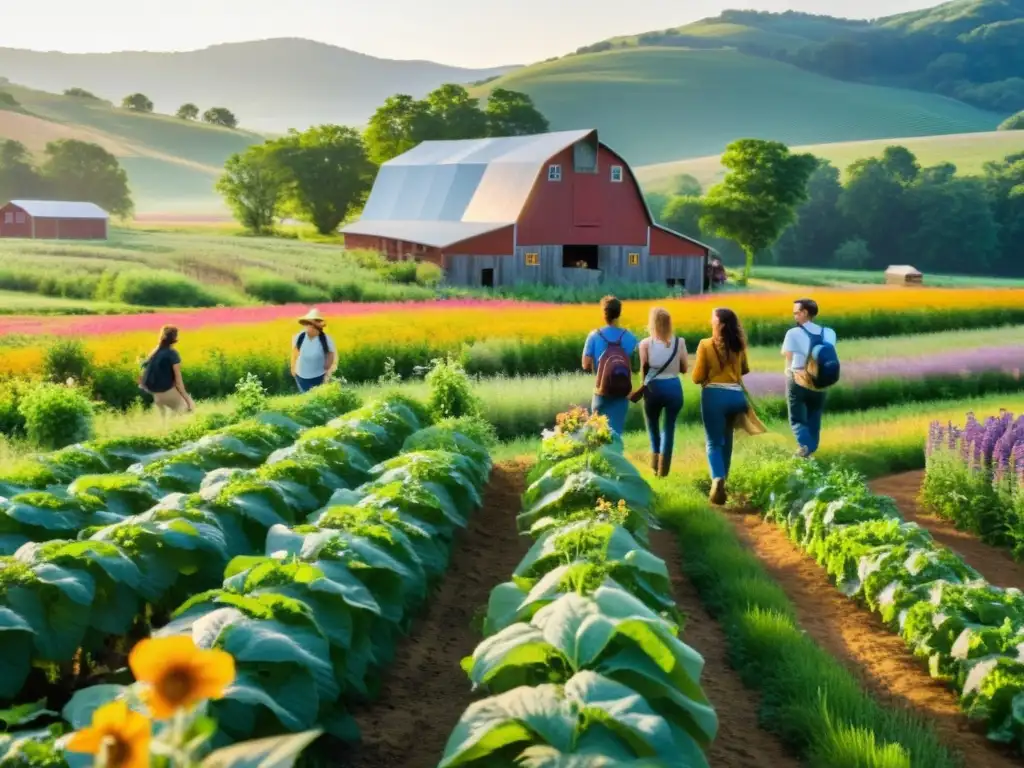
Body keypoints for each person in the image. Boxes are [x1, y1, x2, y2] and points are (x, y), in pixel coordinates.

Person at [692, 308, 750, 505]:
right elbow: (745, 370)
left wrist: (710, 376)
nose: (711, 321)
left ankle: (717, 478)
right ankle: (724, 480)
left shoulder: (705, 344)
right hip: (736, 397)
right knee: (727, 440)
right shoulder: (739, 345)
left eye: (713, 319)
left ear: (721, 324)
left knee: (713, 443)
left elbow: (697, 377)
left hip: (714, 396)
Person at [782, 298, 836, 458]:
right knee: (814, 416)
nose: (795, 317)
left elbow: (788, 357)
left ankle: (806, 448)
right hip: (821, 381)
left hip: (799, 379)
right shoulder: (829, 332)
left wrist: (788, 372)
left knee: (797, 419)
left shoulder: (793, 333)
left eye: (796, 313)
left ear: (805, 313)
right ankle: (809, 451)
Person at [638, 307, 687, 477]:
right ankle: (664, 470)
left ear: (652, 323)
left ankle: (654, 466)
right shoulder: (679, 342)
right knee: (669, 427)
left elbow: (643, 368)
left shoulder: (645, 344)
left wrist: (644, 387)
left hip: (653, 388)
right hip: (673, 387)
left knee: (653, 426)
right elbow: (684, 368)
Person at [582, 296, 638, 437]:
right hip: (622, 392)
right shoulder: (629, 337)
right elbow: (637, 364)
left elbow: (585, 365)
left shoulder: (594, 335)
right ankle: (615, 457)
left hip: (601, 390)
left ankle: (601, 458)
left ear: (604, 314)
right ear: (619, 313)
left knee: (597, 433)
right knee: (616, 433)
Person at [139, 325, 194, 418]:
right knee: (188, 411)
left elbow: (144, 367)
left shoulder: (155, 352)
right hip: (166, 392)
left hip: (155, 394)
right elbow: (178, 382)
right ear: (175, 338)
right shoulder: (172, 354)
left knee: (168, 419)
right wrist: (188, 400)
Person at [291, 308, 337, 393]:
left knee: (318, 397)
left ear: (317, 327)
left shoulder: (326, 339)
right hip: (301, 375)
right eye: (307, 324)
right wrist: (293, 367)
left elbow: (331, 354)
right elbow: (295, 352)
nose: (308, 327)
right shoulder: (299, 337)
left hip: (319, 376)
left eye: (310, 324)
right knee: (307, 398)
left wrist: (328, 368)